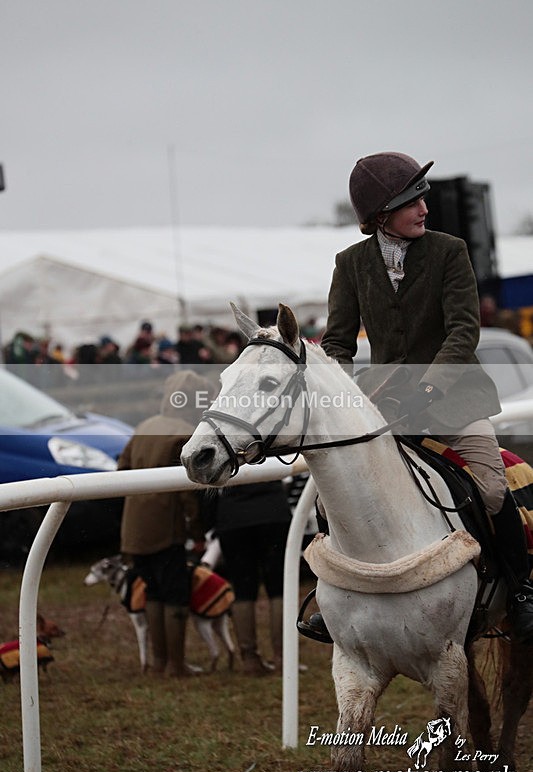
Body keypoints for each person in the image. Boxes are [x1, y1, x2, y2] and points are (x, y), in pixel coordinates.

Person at [309, 150, 533, 643]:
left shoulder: (450, 251)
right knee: (333, 497)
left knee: (492, 490)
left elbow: (463, 332)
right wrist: (336, 393)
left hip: (456, 401)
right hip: (387, 407)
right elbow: (339, 343)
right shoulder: (350, 264)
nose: (424, 208)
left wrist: (429, 388)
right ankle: (338, 597)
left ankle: (520, 591)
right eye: (412, 201)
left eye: (423, 198)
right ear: (379, 215)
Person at [118, 370, 215, 676]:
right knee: (175, 594)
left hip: (135, 528)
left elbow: (122, 470)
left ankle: (159, 661)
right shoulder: (186, 434)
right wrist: (197, 532)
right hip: (167, 528)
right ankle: (176, 663)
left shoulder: (144, 426)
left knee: (153, 591)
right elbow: (188, 494)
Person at [210, 481, 292, 675]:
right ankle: (282, 657)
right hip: (272, 510)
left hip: (234, 515)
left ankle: (249, 659)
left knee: (242, 590)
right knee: (279, 588)